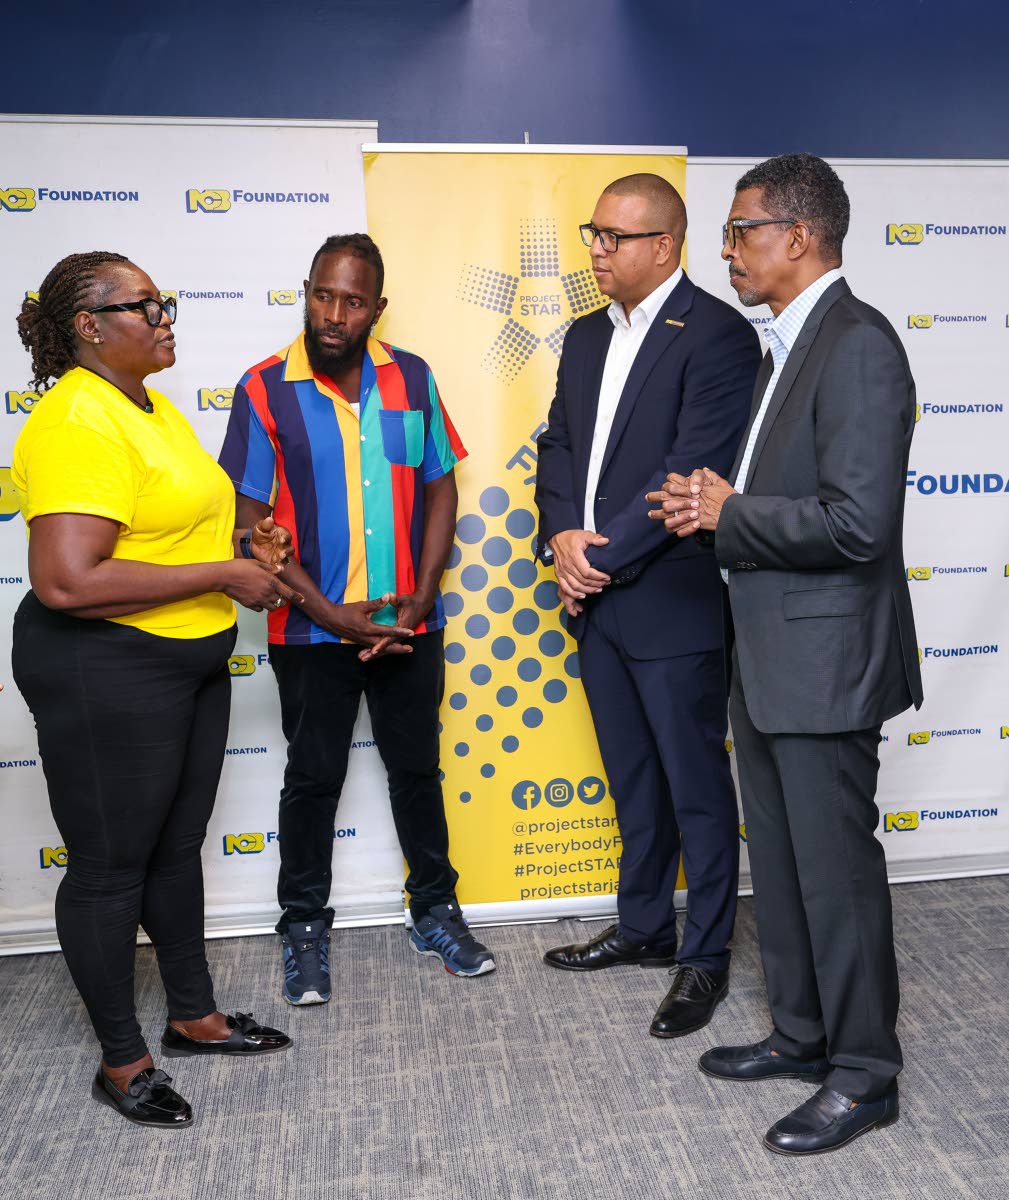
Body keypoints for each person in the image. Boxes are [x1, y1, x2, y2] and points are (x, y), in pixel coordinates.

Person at [650, 153, 922, 1155]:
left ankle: (864, 1073)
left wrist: (733, 512)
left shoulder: (856, 345)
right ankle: (804, 1035)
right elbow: (778, 502)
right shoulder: (782, 347)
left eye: (740, 231)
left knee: (835, 874)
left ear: (796, 236)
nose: (727, 251)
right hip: (768, 658)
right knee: (791, 866)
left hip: (824, 663)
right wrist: (707, 510)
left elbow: (859, 524)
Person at [11, 252, 300, 1129]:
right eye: (143, 305)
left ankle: (192, 1017)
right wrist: (224, 570)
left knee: (175, 850)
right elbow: (65, 579)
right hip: (106, 667)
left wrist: (247, 550)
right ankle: (121, 1061)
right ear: (87, 326)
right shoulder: (75, 421)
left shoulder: (150, 404)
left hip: (186, 658)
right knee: (107, 871)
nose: (166, 315)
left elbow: (165, 531)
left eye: (164, 299)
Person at [218, 233, 495, 1000]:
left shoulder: (411, 377)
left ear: (376, 306)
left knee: (416, 771)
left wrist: (421, 591)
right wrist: (332, 616)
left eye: (351, 301)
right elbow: (251, 529)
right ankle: (303, 926)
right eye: (321, 295)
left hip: (409, 623)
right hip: (310, 631)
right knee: (312, 779)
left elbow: (440, 486)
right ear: (305, 291)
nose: (333, 314)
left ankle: (434, 909)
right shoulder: (264, 389)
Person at [534, 175, 761, 1037]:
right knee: (633, 782)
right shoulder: (587, 334)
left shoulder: (717, 336)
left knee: (697, 790)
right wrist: (561, 535)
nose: (595, 248)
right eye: (592, 232)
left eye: (613, 237)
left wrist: (594, 561)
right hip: (594, 601)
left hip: (670, 599)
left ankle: (702, 958)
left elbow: (690, 469)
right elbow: (558, 443)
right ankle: (642, 931)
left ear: (663, 246)